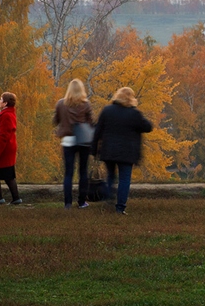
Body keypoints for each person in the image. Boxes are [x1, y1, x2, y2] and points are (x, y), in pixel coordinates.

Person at [90, 87, 153, 215]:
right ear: (131, 98)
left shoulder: (107, 111)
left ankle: (109, 197)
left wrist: (94, 149)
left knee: (111, 176)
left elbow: (98, 130)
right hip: (127, 152)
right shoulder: (134, 114)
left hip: (109, 150)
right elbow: (148, 127)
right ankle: (120, 208)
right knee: (125, 179)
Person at [53, 79, 95, 209]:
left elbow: (55, 120)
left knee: (68, 173)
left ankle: (68, 203)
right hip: (83, 140)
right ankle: (81, 201)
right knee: (83, 171)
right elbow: (91, 122)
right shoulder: (86, 104)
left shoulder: (61, 104)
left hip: (67, 140)